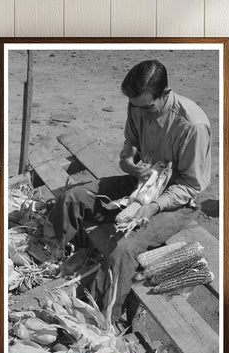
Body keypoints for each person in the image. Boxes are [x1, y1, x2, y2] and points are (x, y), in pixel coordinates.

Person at [44, 59, 211, 323]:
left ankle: (105, 319)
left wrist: (152, 206)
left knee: (124, 250)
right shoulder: (137, 104)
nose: (140, 113)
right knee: (73, 197)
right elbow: (131, 142)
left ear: (165, 94)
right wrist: (128, 163)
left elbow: (191, 185)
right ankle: (43, 262)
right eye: (134, 106)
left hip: (177, 202)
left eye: (147, 107)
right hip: (139, 186)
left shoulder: (192, 126)